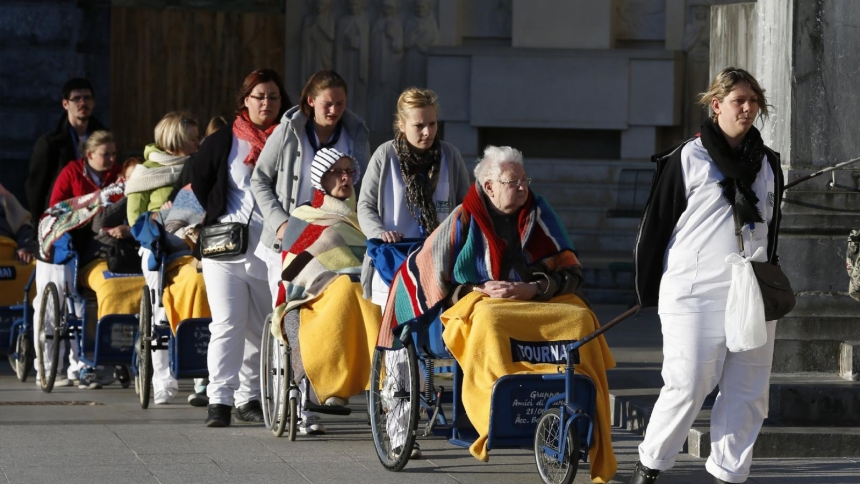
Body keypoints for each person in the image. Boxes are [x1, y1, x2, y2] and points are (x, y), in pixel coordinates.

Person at [377, 145, 616, 480]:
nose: (522, 187)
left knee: (581, 319)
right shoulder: (464, 216)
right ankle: (493, 412)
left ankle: (586, 414)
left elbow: (572, 273)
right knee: (490, 318)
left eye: (524, 180)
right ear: (489, 186)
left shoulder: (539, 212)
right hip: (483, 303)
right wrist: (477, 289)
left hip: (535, 300)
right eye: (512, 181)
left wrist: (532, 289)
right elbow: (433, 274)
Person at [631, 67, 784, 484]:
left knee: (748, 391)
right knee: (688, 382)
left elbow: (772, 227)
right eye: (740, 100)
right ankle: (650, 465)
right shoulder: (687, 157)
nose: (749, 108)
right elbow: (655, 226)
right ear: (716, 105)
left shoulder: (768, 162)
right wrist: (647, 291)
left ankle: (729, 475)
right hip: (693, 290)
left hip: (751, 290)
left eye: (754, 101)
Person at [251, 69, 370, 435]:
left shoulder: (356, 132)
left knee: (349, 296)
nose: (334, 109)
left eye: (340, 103)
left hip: (339, 230)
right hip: (293, 232)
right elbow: (260, 179)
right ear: (310, 102)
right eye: (327, 103)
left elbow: (364, 184)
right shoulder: (288, 130)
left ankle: (341, 375)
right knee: (294, 314)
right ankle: (301, 403)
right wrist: (282, 223)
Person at [357, 87, 470, 458]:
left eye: (432, 124)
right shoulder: (385, 156)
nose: (427, 132)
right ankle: (400, 431)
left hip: (436, 263)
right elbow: (366, 207)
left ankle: (458, 417)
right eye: (419, 125)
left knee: (446, 338)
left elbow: (467, 208)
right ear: (401, 124)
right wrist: (379, 232)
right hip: (393, 263)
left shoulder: (450, 156)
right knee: (398, 351)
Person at [192, 68, 290, 427]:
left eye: (273, 97)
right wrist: (220, 213)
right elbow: (200, 178)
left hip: (270, 247)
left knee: (262, 325)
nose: (266, 103)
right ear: (245, 100)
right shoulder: (225, 140)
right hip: (224, 248)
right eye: (259, 96)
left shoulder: (290, 138)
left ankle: (249, 396)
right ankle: (219, 399)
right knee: (227, 323)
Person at [271, 148, 381, 429]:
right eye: (337, 172)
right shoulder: (305, 215)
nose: (346, 178)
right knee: (348, 287)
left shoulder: (365, 215)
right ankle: (333, 384)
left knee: (369, 292)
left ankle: (378, 380)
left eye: (350, 172)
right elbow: (295, 266)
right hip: (312, 296)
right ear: (321, 178)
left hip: (360, 286)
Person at [39, 131, 139, 390]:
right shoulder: (72, 172)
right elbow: (57, 209)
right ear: (90, 155)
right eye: (106, 154)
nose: (111, 159)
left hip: (110, 246)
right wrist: (92, 205)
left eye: (114, 153)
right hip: (74, 240)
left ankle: (119, 353)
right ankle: (70, 363)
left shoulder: (118, 175)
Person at [125, 111, 199, 405]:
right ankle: (163, 381)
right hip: (156, 244)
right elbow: (134, 220)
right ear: (177, 140)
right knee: (160, 315)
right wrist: (160, 215)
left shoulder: (197, 167)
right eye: (193, 138)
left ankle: (201, 378)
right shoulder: (145, 172)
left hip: (192, 240)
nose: (198, 143)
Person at [27, 78, 107, 221]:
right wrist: (40, 227)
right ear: (65, 104)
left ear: (93, 103)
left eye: (87, 98)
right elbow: (36, 189)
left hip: (98, 213)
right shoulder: (50, 143)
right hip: (62, 216)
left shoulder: (105, 139)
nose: (82, 103)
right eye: (76, 99)